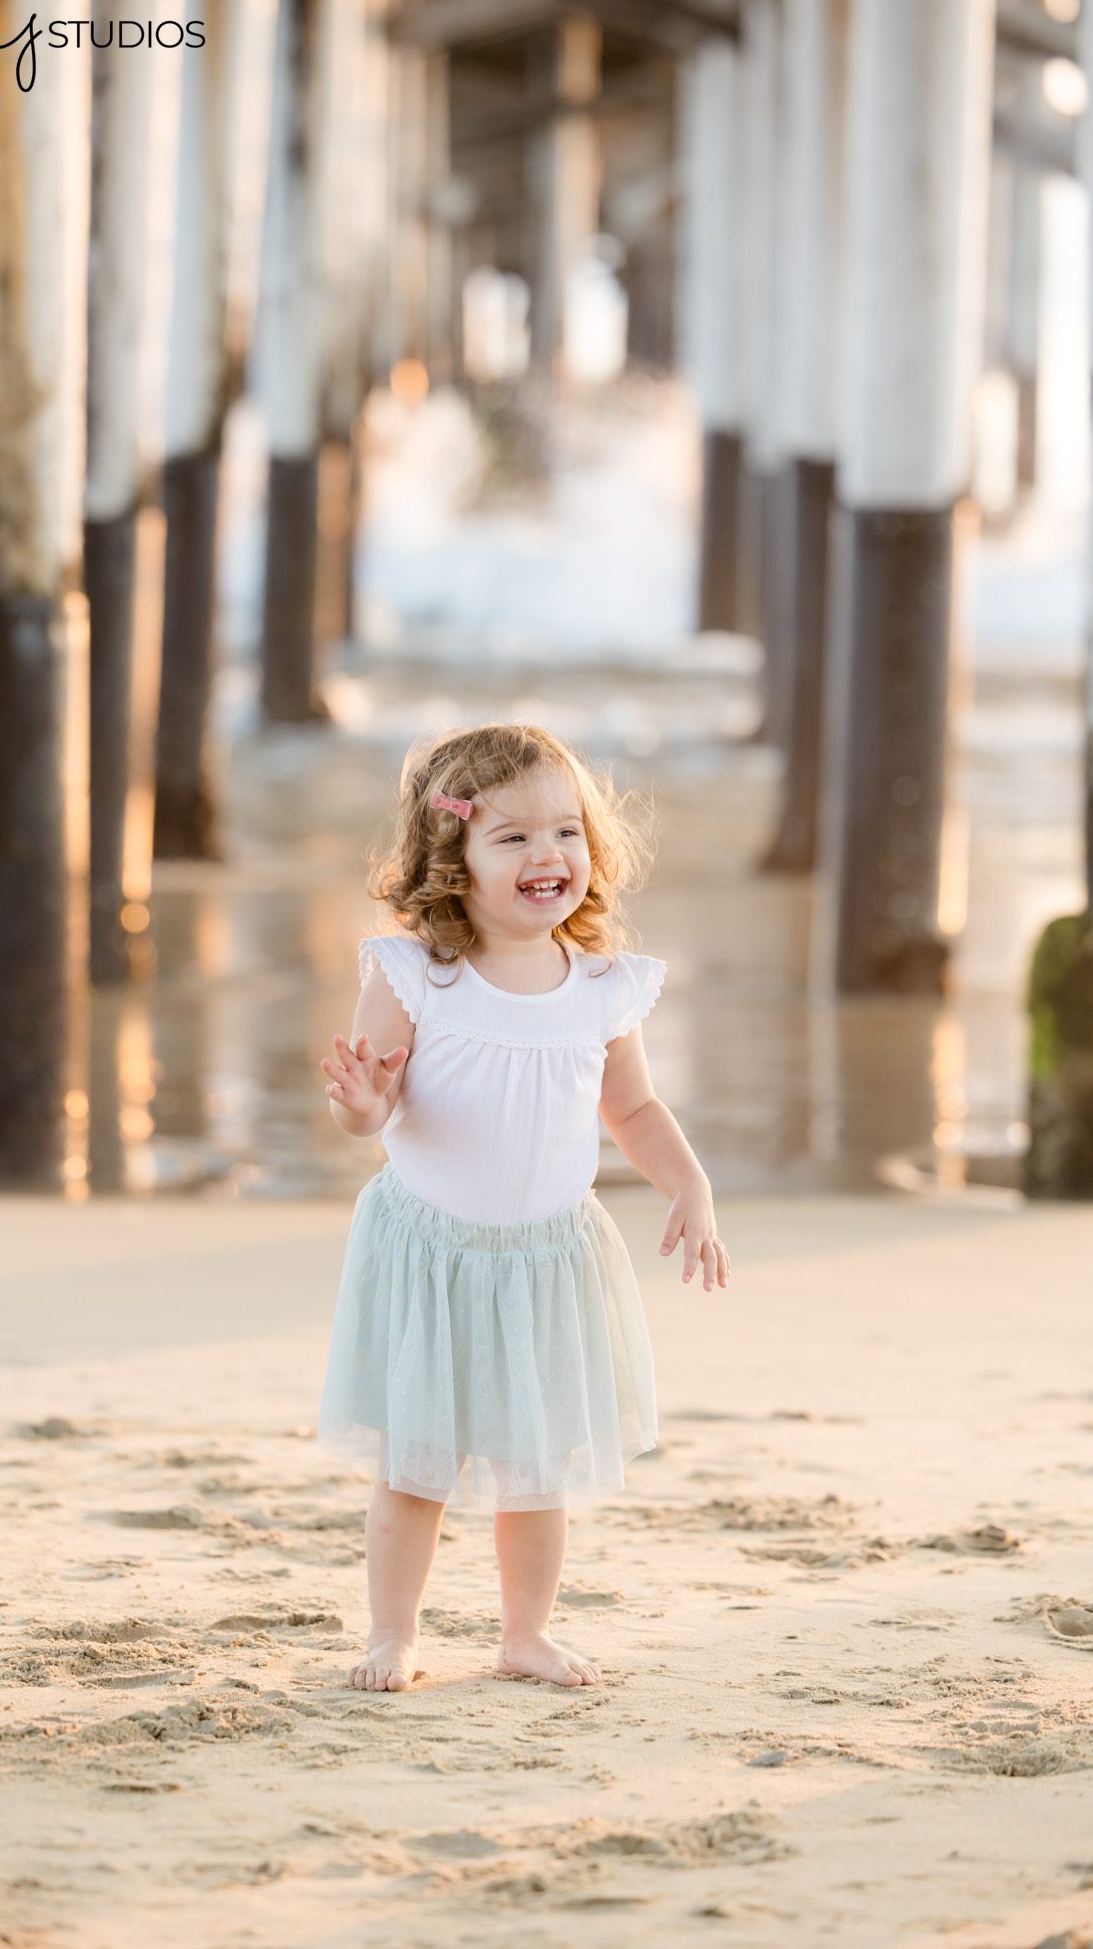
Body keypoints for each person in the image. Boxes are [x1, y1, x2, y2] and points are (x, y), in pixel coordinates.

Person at [317, 723, 730, 1695]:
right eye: (513, 838)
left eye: (567, 832)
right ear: (451, 860)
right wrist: (362, 1105)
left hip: (546, 1258)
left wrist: (691, 1182)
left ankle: (526, 1632)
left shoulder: (599, 987)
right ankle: (393, 1630)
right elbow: (372, 1100)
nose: (549, 856)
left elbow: (630, 1106)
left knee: (537, 1465)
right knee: (417, 1463)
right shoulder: (419, 974)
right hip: (431, 1250)